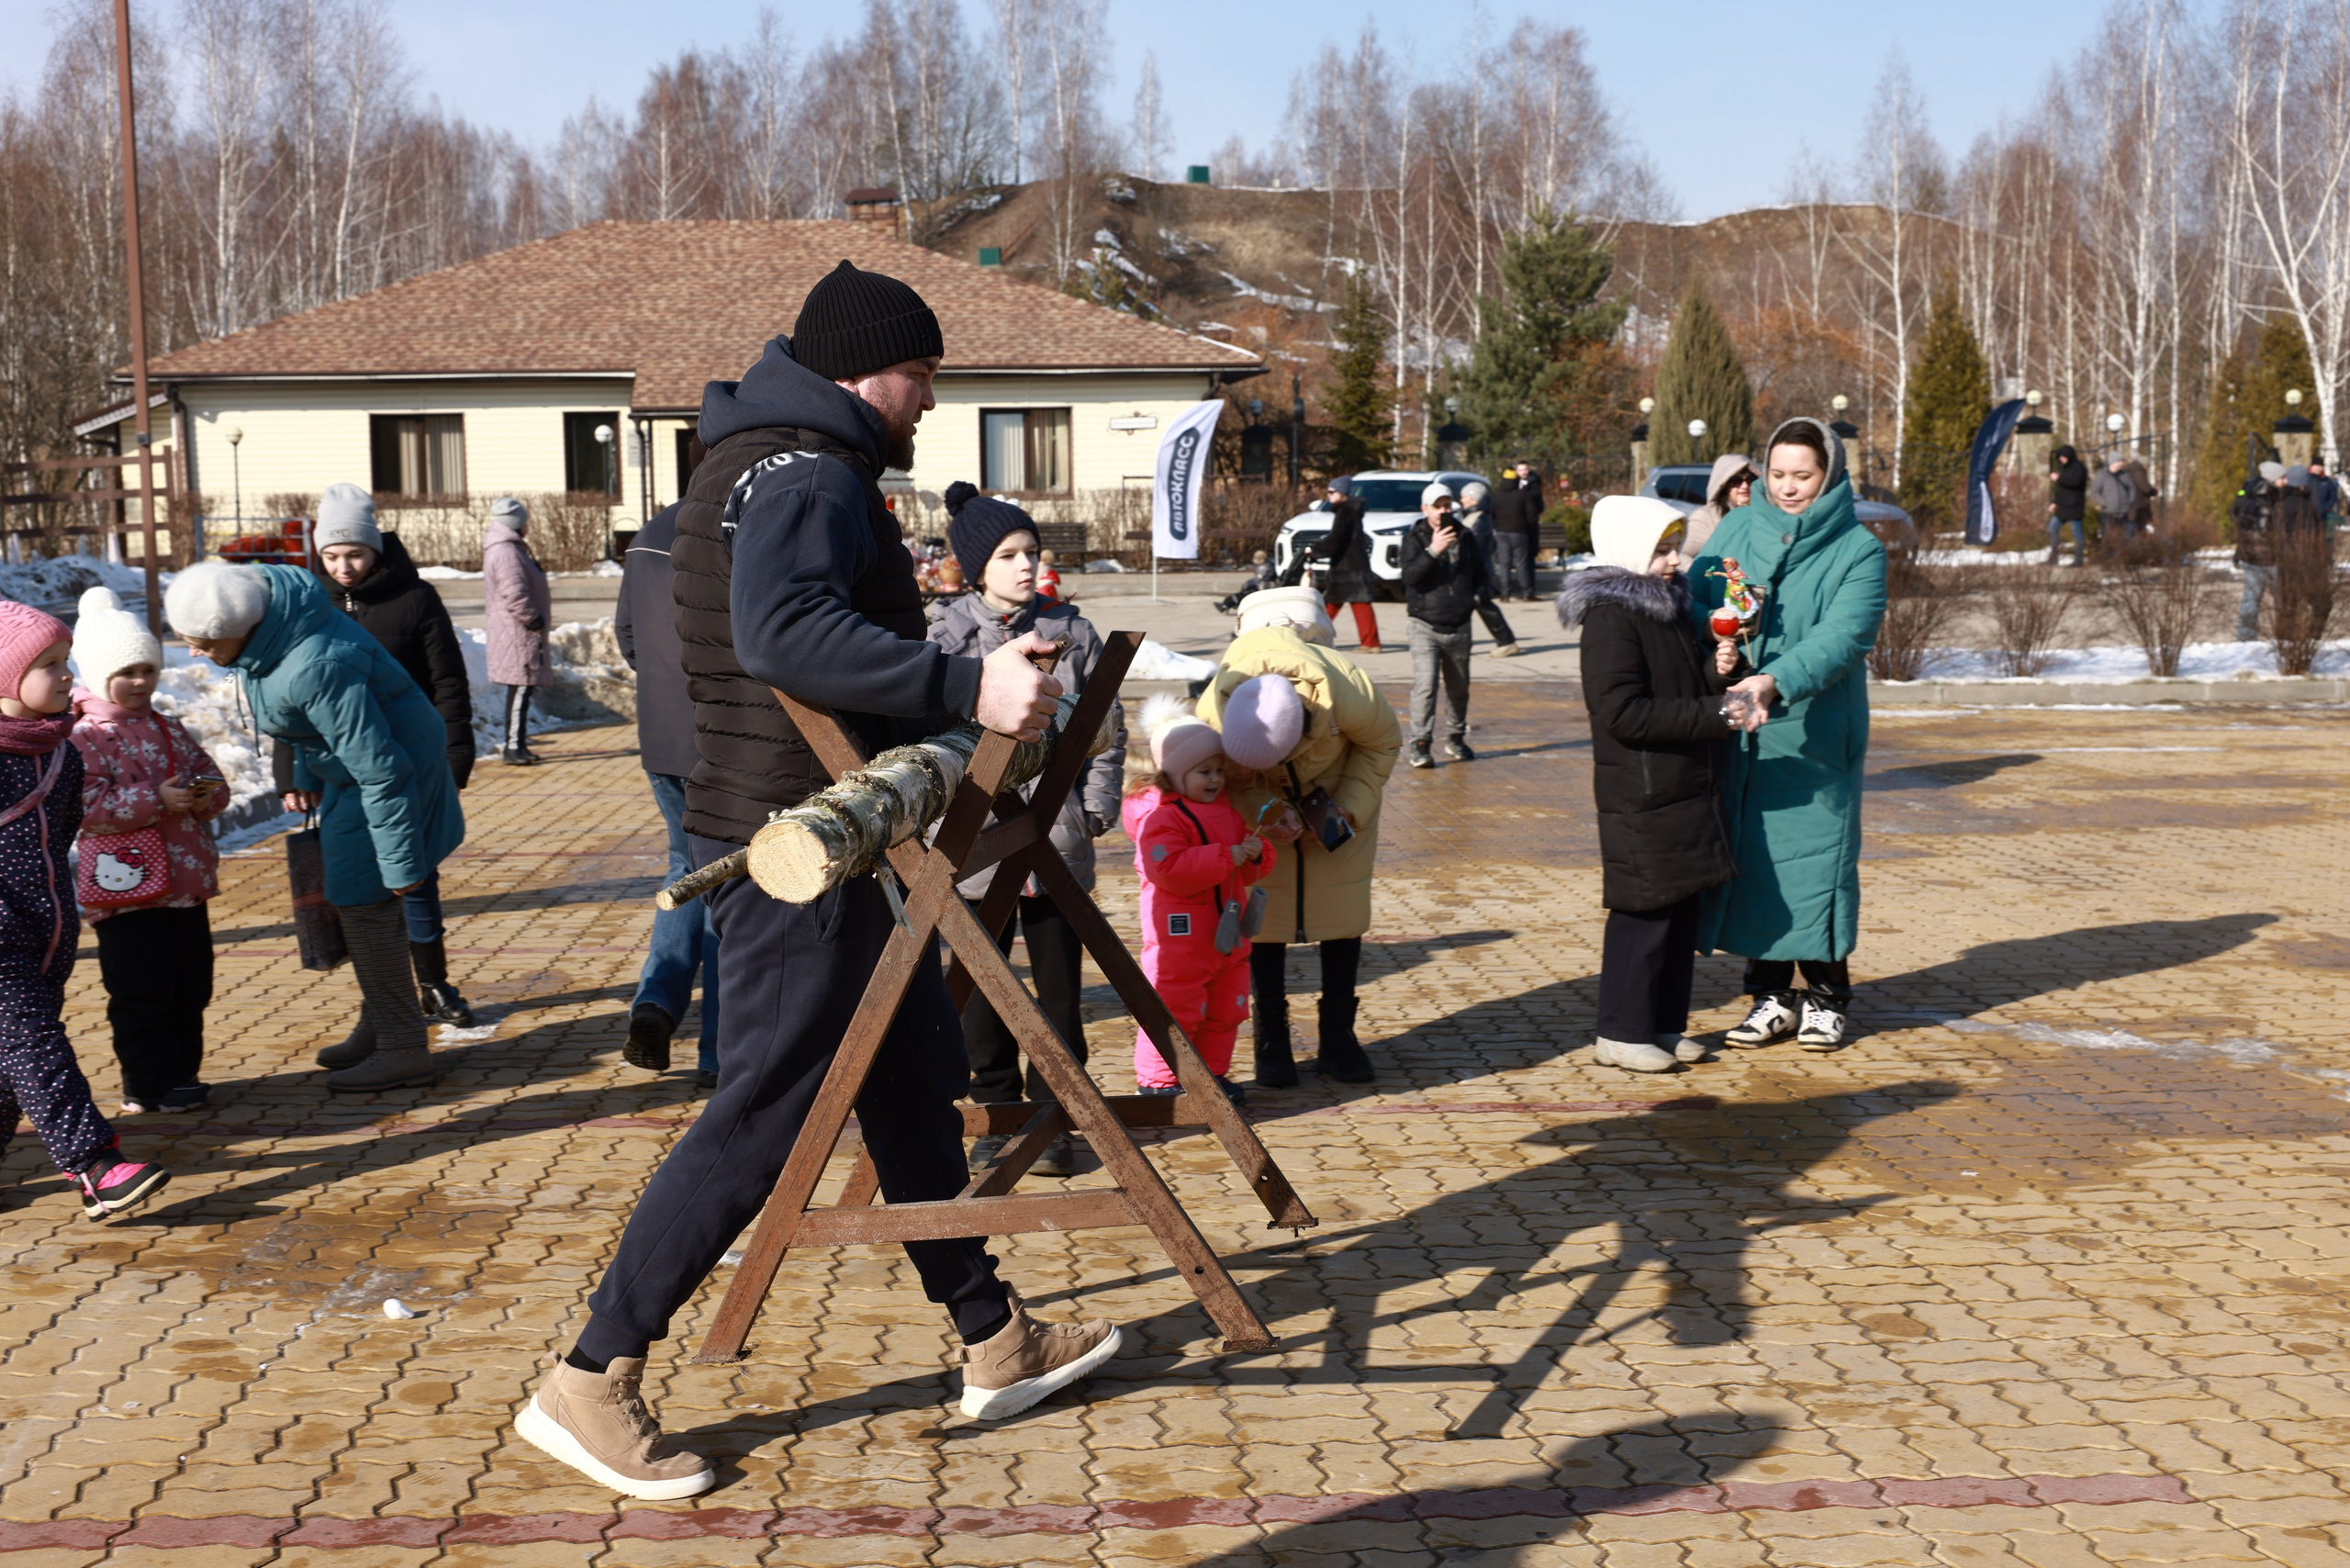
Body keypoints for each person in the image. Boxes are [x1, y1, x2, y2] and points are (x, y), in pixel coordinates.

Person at [518, 261, 1120, 1502]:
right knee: (771, 1106)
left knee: (909, 1079)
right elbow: (780, 633)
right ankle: (589, 1375)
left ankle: (991, 1337)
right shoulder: (801, 471)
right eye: (924, 377)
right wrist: (966, 687)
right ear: (866, 369)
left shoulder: (782, 457)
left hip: (833, 835)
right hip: (791, 850)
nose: (931, 404)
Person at [166, 559, 466, 1092]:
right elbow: (314, 728)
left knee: (364, 898)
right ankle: (383, 1021)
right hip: (356, 771)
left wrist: (401, 862)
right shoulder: (274, 624)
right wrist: (305, 769)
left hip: (393, 770)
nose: (193, 653)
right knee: (360, 898)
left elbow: (382, 767)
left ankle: (402, 1045)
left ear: (239, 630)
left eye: (202, 642)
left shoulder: (313, 664)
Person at [929, 481, 1125, 1177]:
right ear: (976, 565)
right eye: (1008, 554)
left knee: (1061, 995)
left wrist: (1096, 806)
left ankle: (1056, 1117)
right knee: (981, 988)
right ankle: (997, 1113)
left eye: (1031, 552)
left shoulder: (1073, 631)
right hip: (977, 847)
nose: (1024, 566)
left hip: (1057, 842)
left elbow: (1109, 722)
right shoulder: (944, 636)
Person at [1689, 417, 1887, 1053]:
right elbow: (1699, 595)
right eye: (1777, 474)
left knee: (1817, 862)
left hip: (1813, 731)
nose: (1789, 487)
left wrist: (1775, 678)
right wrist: (1720, 635)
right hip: (1742, 729)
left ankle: (1828, 996)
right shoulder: (1738, 527)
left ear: (1829, 475)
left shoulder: (1858, 549)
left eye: (1803, 475)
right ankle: (1770, 994)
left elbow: (1845, 637)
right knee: (1756, 866)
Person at [1557, 498, 1742, 1074]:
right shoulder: (1612, 618)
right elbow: (1623, 712)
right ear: (1630, 550)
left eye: (1676, 548)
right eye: (1662, 550)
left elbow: (1683, 685)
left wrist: (1720, 669)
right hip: (1642, 792)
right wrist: (1715, 715)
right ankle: (1621, 1030)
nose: (1674, 561)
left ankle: (1664, 1024)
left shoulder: (1665, 609)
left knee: (1680, 909)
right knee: (1645, 912)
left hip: (1681, 785)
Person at [0, 603, 171, 1220]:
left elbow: (65, 830)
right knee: (37, 1049)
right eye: (48, 666)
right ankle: (96, 1167)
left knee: (14, 1061)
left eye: (65, 661)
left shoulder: (60, 753)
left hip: (45, 931)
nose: (67, 675)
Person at [1198, 585, 1401, 1085]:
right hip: (1267, 823)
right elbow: (1226, 778)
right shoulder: (1214, 708)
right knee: (1264, 923)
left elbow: (1383, 743)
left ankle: (1338, 1038)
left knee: (1343, 918)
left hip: (1341, 809)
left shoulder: (1345, 684)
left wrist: (1347, 809)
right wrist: (1268, 809)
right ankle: (1272, 1039)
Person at [298, 484, 478, 1027]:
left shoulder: (416, 598)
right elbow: (294, 695)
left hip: (410, 763)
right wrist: (295, 770)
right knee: (357, 883)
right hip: (341, 769)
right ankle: (381, 992)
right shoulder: (311, 602)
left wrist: (455, 756)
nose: (343, 566)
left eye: (354, 553)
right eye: (331, 556)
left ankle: (433, 982)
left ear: (376, 548)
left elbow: (448, 682)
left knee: (415, 875)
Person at [69, 588, 229, 1114]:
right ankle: (147, 1080)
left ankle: (182, 1072)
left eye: (148, 671)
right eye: (127, 673)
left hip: (184, 885)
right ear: (97, 675)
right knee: (142, 989)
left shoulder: (168, 727)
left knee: (190, 984)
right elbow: (85, 806)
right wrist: (153, 800)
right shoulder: (84, 738)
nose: (140, 683)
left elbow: (210, 775)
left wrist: (206, 794)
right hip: (125, 890)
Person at [614, 496, 719, 1088]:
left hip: (660, 739)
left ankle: (655, 1004)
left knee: (686, 869)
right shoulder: (740, 523)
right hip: (724, 742)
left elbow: (628, 635)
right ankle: (720, 1051)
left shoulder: (650, 533)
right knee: (732, 886)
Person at [1122, 707, 1276, 1102]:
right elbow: (1168, 868)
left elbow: (1248, 865)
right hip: (1180, 938)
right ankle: (1159, 1080)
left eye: (1218, 770)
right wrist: (1228, 856)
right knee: (1176, 1006)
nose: (1214, 779)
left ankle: (1210, 1075)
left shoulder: (1227, 812)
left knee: (1227, 1007)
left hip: (1227, 932)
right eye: (1203, 771)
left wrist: (1257, 854)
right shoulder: (1162, 818)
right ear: (1174, 774)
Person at [1398, 479, 1492, 769]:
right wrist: (1434, 550)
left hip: (1460, 624)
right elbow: (1410, 577)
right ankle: (1421, 744)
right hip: (1424, 624)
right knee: (1426, 686)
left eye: (1447, 505)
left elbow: (1481, 571)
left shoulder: (1465, 535)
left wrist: (1475, 597)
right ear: (1424, 509)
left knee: (1459, 688)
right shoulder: (1414, 537)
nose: (1443, 511)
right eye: (1437, 506)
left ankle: (1455, 737)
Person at [483, 497, 552, 766]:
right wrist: (533, 620)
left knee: (522, 689)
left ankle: (517, 744)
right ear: (516, 523)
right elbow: (514, 594)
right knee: (521, 688)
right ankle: (513, 747)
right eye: (525, 522)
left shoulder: (509, 548)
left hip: (516, 632)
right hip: (517, 633)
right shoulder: (506, 552)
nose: (528, 526)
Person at [1316, 476, 1382, 652]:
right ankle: (1371, 642)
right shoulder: (1349, 511)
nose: (1328, 496)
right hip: (1353, 565)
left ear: (1342, 493)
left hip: (1348, 567)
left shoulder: (1345, 512)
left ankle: (1314, 638)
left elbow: (1336, 539)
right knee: (1354, 603)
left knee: (1331, 605)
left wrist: (1315, 550)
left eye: (1332, 492)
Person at [1456, 480, 1521, 657]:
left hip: (1478, 571)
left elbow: (1473, 547)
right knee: (1481, 606)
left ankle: (1506, 641)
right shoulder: (1473, 517)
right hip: (1477, 570)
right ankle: (1505, 641)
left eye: (1464, 496)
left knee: (1482, 605)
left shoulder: (1479, 519)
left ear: (1473, 498)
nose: (1461, 500)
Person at [2232, 460, 2286, 641]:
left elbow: (2236, 518)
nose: (2285, 481)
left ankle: (2245, 638)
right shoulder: (2268, 501)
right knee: (2284, 600)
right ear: (2272, 479)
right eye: (2282, 478)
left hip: (2249, 556)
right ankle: (2287, 637)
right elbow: (2266, 532)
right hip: (2268, 558)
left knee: (2250, 600)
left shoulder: (2248, 494)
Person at [1683, 454, 1756, 558]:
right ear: (1723, 485)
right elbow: (1680, 552)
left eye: (1751, 479)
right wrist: (1706, 573)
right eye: (1735, 481)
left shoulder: (1765, 513)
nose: (1745, 486)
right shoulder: (1707, 517)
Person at [1490, 461, 1543, 599]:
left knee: (1504, 564)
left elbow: (1491, 513)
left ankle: (1505, 593)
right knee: (1521, 563)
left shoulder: (1496, 496)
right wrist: (1526, 527)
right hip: (1519, 533)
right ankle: (1526, 592)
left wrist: (1497, 526)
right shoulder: (1522, 495)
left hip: (1501, 532)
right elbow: (1532, 515)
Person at [2047, 445, 2088, 566]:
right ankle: (2054, 557)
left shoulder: (2079, 467)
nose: (2061, 459)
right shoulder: (2064, 468)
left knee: (2077, 534)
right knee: (2053, 527)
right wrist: (2055, 502)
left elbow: (2075, 482)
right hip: (2063, 507)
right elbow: (2062, 489)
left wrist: (2059, 477)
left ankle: (2078, 560)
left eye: (2063, 457)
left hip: (2075, 506)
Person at [1214, 550, 1280, 614]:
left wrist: (1247, 584)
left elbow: (1259, 580)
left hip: (1261, 588)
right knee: (1241, 595)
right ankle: (1225, 605)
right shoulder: (1269, 564)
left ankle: (1224, 606)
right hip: (1262, 587)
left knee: (1240, 596)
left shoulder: (1265, 567)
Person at [2089, 458, 2136, 545]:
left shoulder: (2125, 475)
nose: (2122, 463)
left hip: (2124, 512)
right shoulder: (2101, 476)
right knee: (2108, 539)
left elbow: (2132, 488)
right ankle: (2108, 558)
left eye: (2122, 461)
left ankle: (2122, 558)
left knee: (2124, 540)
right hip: (2108, 513)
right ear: (2112, 462)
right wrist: (2104, 503)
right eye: (2119, 461)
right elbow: (2094, 492)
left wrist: (2130, 501)